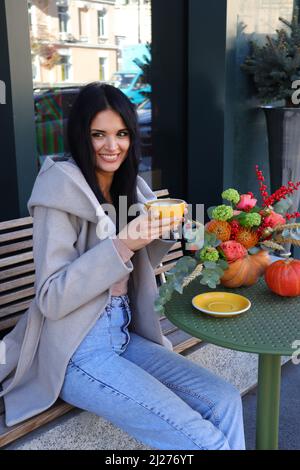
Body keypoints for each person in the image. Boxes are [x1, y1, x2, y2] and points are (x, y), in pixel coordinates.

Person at [0, 82, 245, 450]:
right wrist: (124, 242)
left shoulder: (131, 188)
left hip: (127, 334)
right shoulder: (58, 193)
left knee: (224, 400)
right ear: (80, 136)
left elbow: (139, 266)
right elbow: (50, 298)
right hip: (77, 349)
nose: (111, 146)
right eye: (98, 134)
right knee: (204, 442)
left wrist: (173, 233)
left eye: (121, 134)